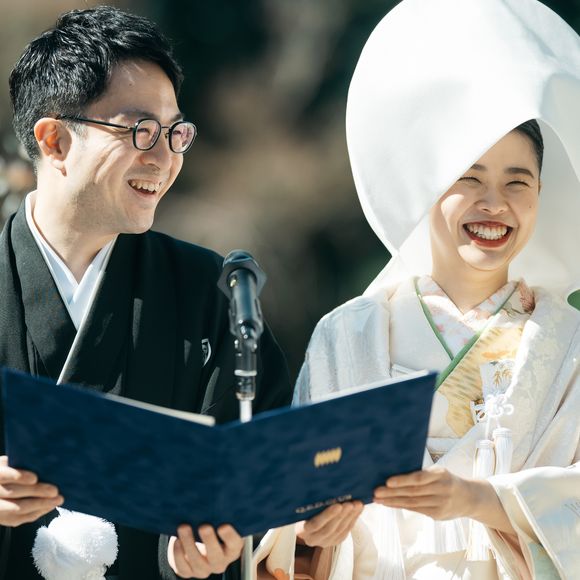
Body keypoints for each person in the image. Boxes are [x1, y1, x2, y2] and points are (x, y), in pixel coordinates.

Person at [255, 0, 580, 578]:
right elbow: (290, 506)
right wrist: (307, 529)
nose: (494, 204)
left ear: (539, 195)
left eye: (517, 182)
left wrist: (477, 499)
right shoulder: (350, 335)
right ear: (428, 186)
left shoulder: (569, 343)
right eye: (469, 179)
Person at [0, 6, 293, 580]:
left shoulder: (209, 291)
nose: (163, 158)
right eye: (140, 131)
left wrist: (215, 542)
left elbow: (266, 466)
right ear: (55, 140)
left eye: (175, 133)